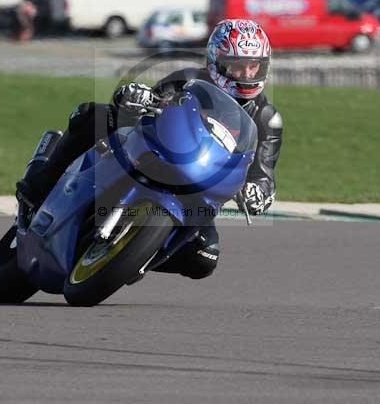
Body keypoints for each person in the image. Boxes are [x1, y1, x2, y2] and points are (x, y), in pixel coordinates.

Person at [16, 19, 283, 280]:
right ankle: (40, 181)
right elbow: (149, 104)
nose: (246, 75)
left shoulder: (267, 118)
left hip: (198, 189)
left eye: (253, 67)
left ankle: (134, 257)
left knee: (204, 258)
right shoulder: (189, 80)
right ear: (217, 62)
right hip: (153, 155)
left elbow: (264, 173)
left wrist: (258, 192)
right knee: (93, 115)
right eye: (237, 66)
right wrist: (137, 97)